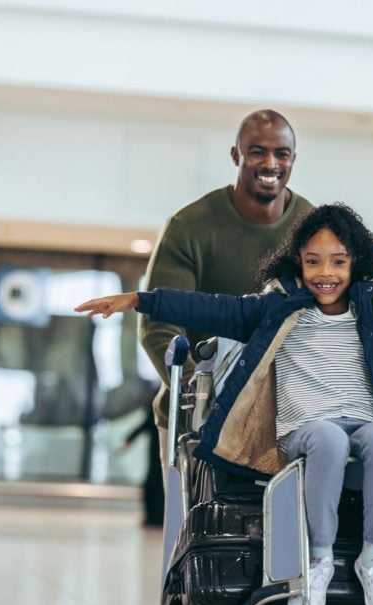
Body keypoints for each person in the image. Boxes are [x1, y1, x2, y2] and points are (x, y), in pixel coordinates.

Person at [78, 203, 373, 605]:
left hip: (365, 424)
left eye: (338, 261)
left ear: (356, 262)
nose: (326, 273)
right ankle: (317, 559)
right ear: (297, 263)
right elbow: (209, 307)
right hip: (304, 431)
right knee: (329, 438)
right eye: (314, 261)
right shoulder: (276, 309)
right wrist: (142, 300)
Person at [139, 109, 313, 482]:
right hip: (197, 416)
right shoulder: (189, 227)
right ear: (235, 156)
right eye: (256, 152)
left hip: (285, 415)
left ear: (293, 160)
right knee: (193, 532)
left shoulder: (313, 230)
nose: (270, 163)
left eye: (281, 154)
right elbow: (159, 328)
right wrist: (198, 394)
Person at [122, 394, 163, 528]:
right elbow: (149, 421)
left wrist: (130, 437)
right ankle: (155, 517)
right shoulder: (163, 394)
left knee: (154, 484)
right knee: (155, 484)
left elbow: (147, 422)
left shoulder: (164, 395)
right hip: (160, 447)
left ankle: (155, 517)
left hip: (161, 448)